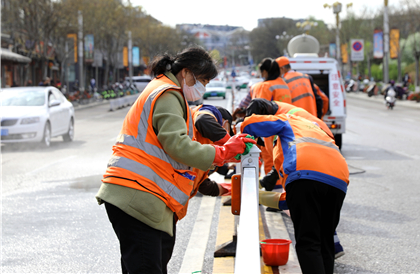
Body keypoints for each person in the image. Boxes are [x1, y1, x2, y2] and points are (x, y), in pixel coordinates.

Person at [95, 47, 256, 274]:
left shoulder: (166, 90)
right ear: (186, 73)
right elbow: (177, 145)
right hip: (137, 195)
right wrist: (224, 151)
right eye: (202, 80)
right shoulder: (168, 93)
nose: (203, 88)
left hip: (140, 195)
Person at [241, 113, 349, 274]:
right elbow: (295, 200)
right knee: (325, 240)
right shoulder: (317, 129)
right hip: (339, 181)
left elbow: (252, 123)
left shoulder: (288, 120)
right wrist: (259, 196)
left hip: (305, 176)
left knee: (309, 241)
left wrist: (242, 130)